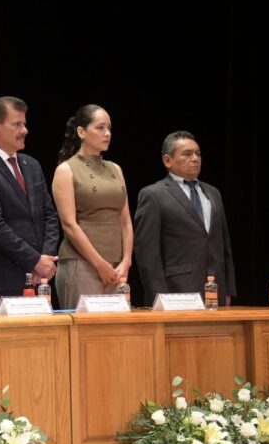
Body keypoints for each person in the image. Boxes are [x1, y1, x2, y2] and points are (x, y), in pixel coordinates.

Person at [0, 96, 60, 309]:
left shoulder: (32, 165)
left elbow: (49, 215)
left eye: (24, 124)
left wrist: (45, 258)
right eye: (17, 124)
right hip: (0, 282)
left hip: (39, 280)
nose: (24, 130)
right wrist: (34, 260)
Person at [134, 130, 236, 305]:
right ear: (167, 160)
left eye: (198, 154)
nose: (195, 159)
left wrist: (228, 290)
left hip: (215, 291)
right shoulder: (154, 195)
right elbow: (147, 254)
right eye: (187, 154)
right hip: (176, 291)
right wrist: (159, 298)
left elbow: (224, 244)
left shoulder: (213, 193)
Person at [52, 104, 133, 309]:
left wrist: (126, 261)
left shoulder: (115, 169)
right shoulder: (66, 170)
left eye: (109, 128)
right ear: (81, 132)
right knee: (84, 326)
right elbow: (69, 225)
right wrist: (99, 264)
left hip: (116, 267)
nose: (107, 133)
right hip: (82, 264)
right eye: (100, 127)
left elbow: (125, 222)